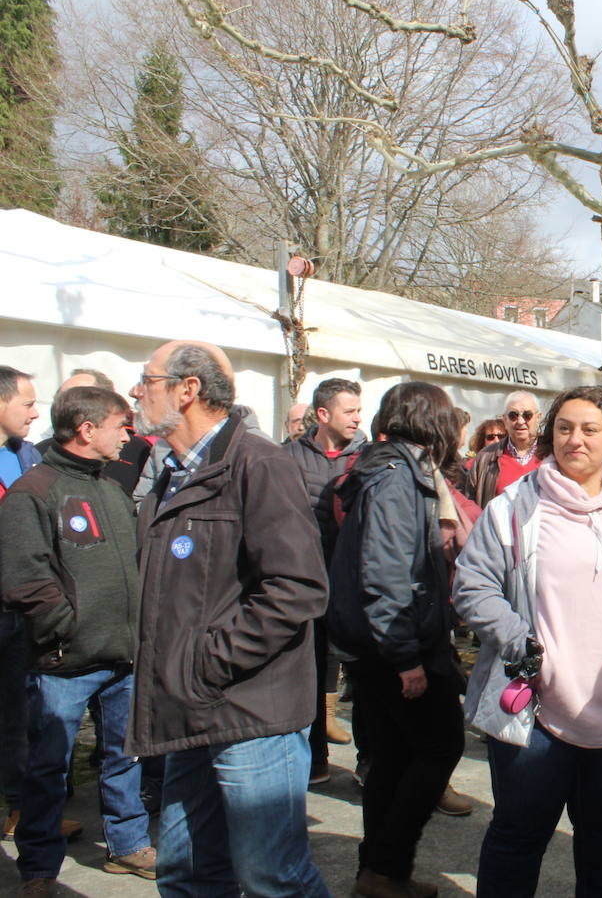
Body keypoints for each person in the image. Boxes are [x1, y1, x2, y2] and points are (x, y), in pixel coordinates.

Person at [454, 385, 602, 898]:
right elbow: (472, 583)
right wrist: (518, 640)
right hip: (536, 712)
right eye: (564, 428)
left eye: (590, 429)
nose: (575, 439)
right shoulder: (513, 508)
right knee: (518, 838)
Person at [126, 340, 329, 896]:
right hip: (188, 710)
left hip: (249, 711)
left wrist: (209, 663)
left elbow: (298, 588)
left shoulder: (260, 464)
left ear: (188, 389)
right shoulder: (170, 471)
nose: (136, 393)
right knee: (187, 874)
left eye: (146, 380)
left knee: (271, 876)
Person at [0, 387, 156, 895]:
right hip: (63, 662)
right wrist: (64, 628)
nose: (127, 434)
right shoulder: (34, 492)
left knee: (124, 756)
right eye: (119, 425)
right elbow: (24, 578)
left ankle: (128, 845)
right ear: (87, 430)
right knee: (48, 768)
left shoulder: (110, 488)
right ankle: (39, 869)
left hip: (122, 655)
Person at [327, 382, 467, 898]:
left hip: (384, 642)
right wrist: (406, 657)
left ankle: (381, 872)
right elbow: (385, 573)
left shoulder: (396, 469)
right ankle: (385, 867)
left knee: (393, 758)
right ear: (431, 421)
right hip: (393, 646)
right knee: (440, 744)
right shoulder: (393, 478)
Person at [286, 377, 367, 777]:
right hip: (307, 581)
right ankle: (314, 759)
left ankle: (369, 765)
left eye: (358, 409)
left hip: (355, 584)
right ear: (323, 414)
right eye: (349, 411)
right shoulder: (288, 458)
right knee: (310, 672)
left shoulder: (368, 457)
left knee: (362, 675)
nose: (357, 418)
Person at [1, 366, 43, 835]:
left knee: (19, 713)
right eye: (28, 404)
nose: (36, 413)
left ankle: (20, 808)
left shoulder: (28, 456)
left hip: (19, 608)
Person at [466, 390, 542, 507]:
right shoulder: (484, 458)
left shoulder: (554, 455)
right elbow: (470, 506)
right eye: (513, 416)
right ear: (505, 420)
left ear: (538, 417)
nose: (520, 421)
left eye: (527, 415)